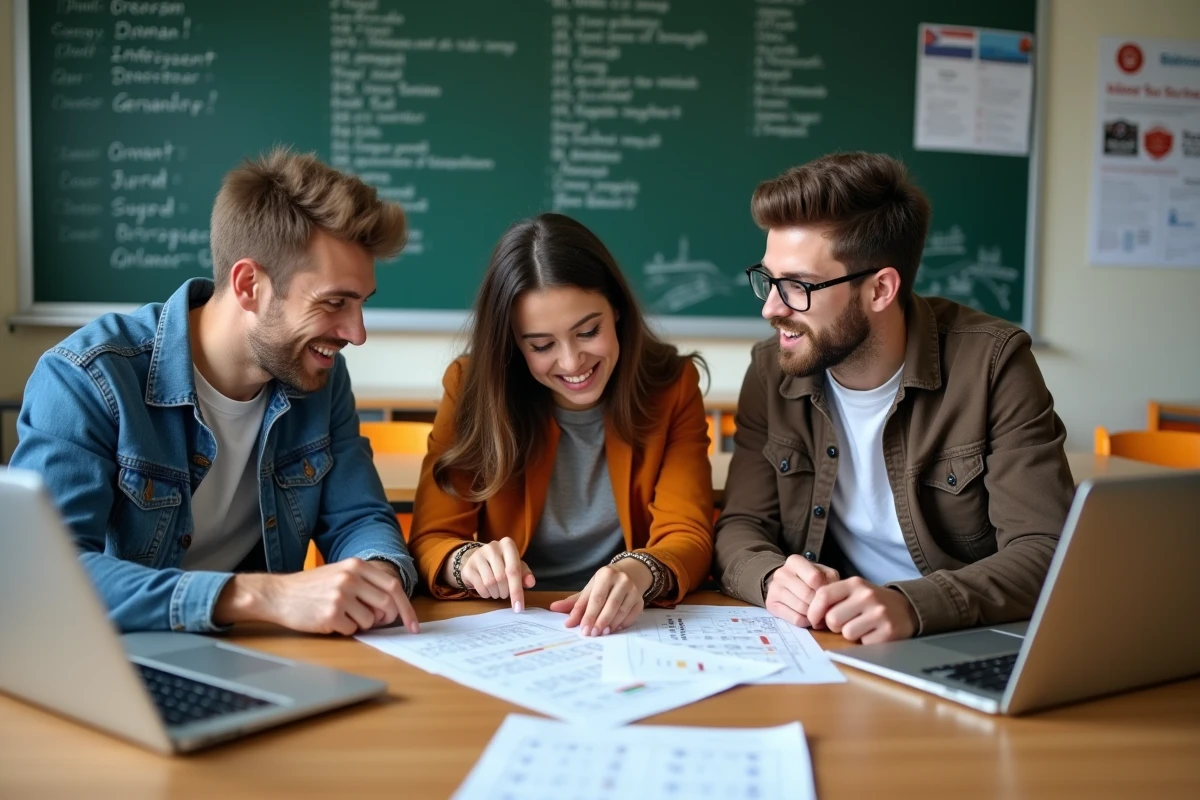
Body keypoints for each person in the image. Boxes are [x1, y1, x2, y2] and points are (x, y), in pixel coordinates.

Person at [11, 148, 420, 636]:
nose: (356, 333)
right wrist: (258, 595)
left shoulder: (322, 381)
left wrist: (379, 573)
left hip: (258, 653)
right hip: (124, 658)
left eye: (361, 305)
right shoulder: (87, 379)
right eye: (334, 303)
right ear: (249, 285)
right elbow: (41, 576)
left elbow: (358, 516)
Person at [713, 152, 1074, 644]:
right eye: (768, 280)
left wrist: (912, 605)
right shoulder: (770, 370)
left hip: (960, 634)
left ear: (880, 289)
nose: (771, 308)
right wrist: (770, 578)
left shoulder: (994, 365)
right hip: (832, 638)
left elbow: (1045, 549)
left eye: (798, 286)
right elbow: (740, 525)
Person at [409, 213, 714, 636]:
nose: (572, 363)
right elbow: (432, 538)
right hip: (516, 621)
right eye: (542, 345)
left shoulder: (673, 386)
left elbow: (689, 534)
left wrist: (638, 571)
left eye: (588, 332)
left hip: (631, 624)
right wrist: (466, 562)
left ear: (618, 312)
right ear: (513, 345)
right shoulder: (470, 389)